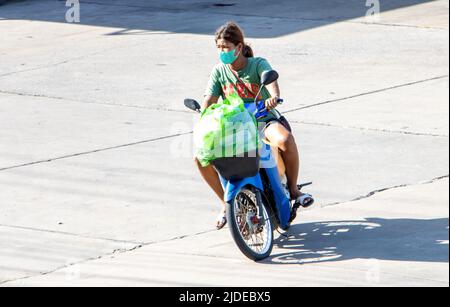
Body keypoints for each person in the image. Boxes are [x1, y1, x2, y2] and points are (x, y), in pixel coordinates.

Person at [197, 21, 314, 230]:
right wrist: (203, 115)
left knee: (285, 140)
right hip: (235, 128)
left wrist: (274, 97)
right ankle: (226, 203)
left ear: (239, 47)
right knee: (201, 157)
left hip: (262, 120)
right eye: (219, 48)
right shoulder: (219, 71)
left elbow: (271, 82)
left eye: (226, 48)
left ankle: (294, 189)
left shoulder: (257, 64)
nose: (222, 52)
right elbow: (209, 99)